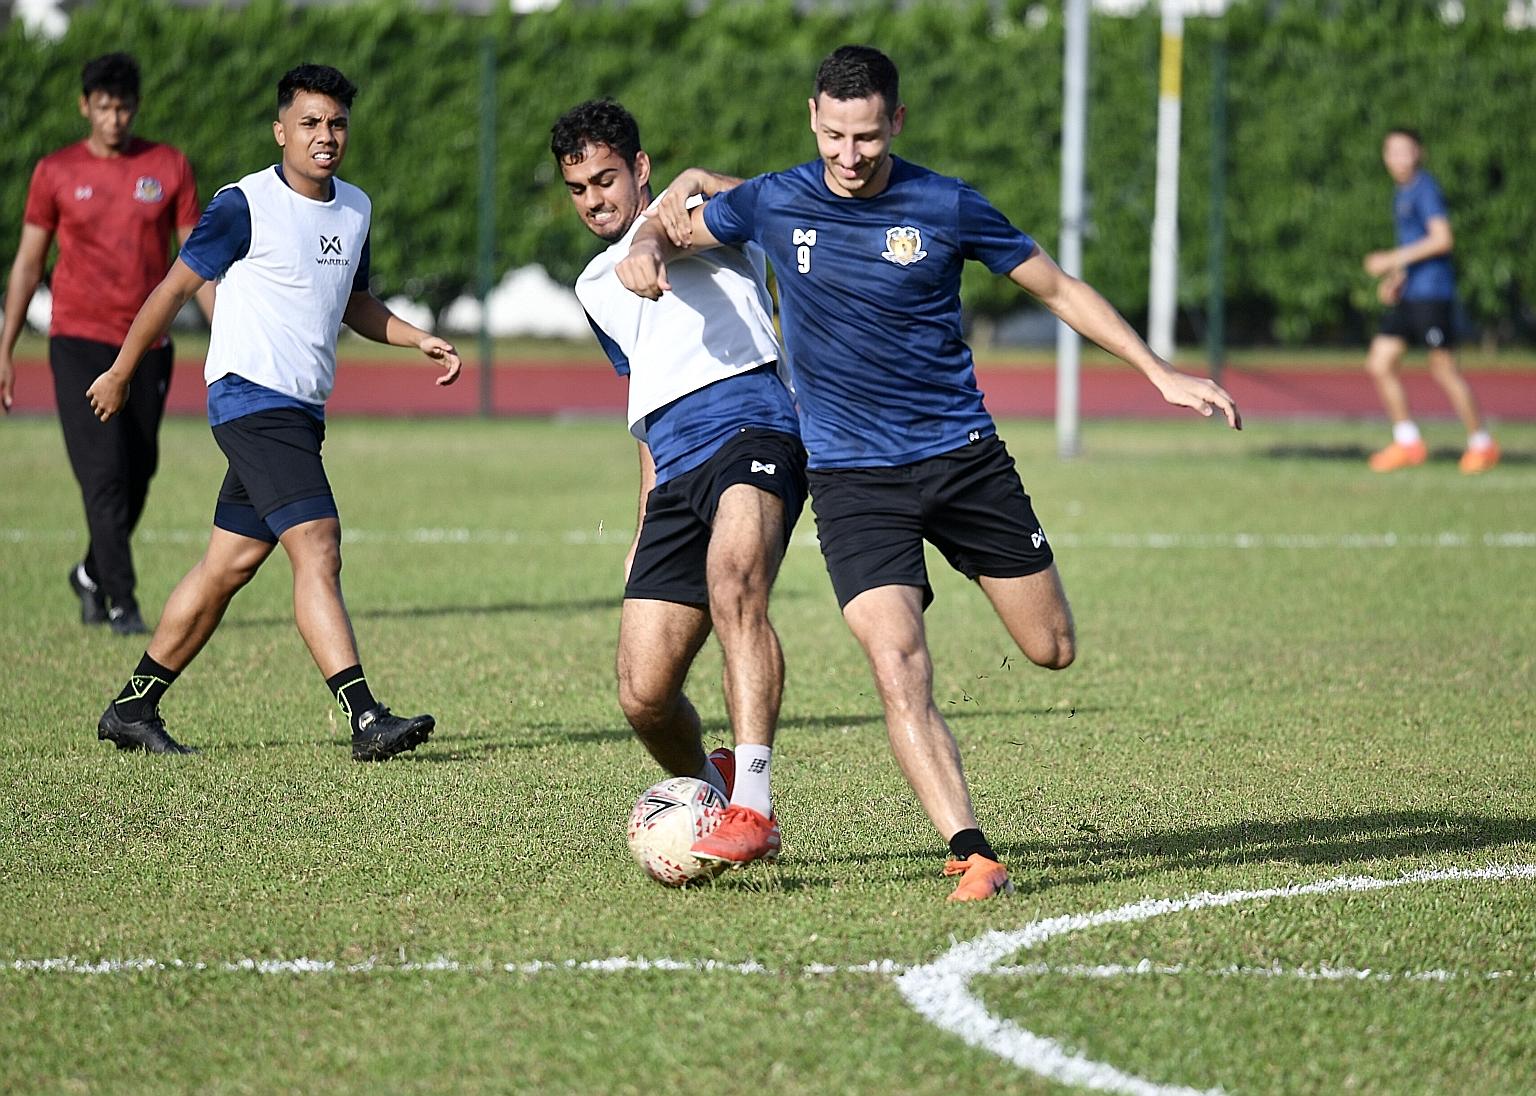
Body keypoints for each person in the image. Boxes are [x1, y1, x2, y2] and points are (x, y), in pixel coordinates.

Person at [619, 45, 1241, 901]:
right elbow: (678, 212)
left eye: (867, 137)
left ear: (896, 123)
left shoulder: (945, 204)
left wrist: (1157, 370)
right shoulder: (774, 199)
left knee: (1050, 647)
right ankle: (970, 849)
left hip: (962, 462)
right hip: (851, 481)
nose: (849, 155)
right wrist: (644, 243)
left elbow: (1056, 288)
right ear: (813, 120)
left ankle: (969, 787)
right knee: (897, 663)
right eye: (834, 135)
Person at [83, 64, 461, 760]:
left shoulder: (356, 209)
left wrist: (417, 338)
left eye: (338, 123)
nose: (326, 136)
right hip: (249, 398)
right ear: (281, 129)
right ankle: (364, 716)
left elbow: (354, 302)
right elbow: (172, 290)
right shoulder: (242, 204)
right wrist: (121, 370)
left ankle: (132, 708)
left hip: (300, 409)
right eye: (311, 123)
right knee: (318, 542)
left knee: (227, 566)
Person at [551, 99, 808, 869]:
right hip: (673, 465)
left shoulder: (695, 213)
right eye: (579, 188)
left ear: (641, 170)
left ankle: (755, 807)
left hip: (755, 430)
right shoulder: (594, 285)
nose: (597, 199)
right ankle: (713, 788)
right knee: (643, 694)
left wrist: (685, 201)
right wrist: (639, 528)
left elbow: (790, 208)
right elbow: (645, 397)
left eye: (608, 179)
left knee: (736, 584)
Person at [0, 52, 216, 635]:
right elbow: (27, 264)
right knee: (104, 474)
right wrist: (5, 350)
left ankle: (92, 573)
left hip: (147, 346)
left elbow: (196, 261)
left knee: (139, 470)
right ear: (84, 107)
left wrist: (229, 334)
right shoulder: (55, 172)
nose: (114, 118)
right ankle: (123, 601)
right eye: (103, 108)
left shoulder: (168, 166)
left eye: (123, 107)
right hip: (78, 342)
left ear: (135, 107)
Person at [1362, 128, 1498, 474]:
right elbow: (1415, 246)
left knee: (1444, 369)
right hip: (1410, 295)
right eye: (1391, 152)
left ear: (1418, 153)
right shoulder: (1401, 193)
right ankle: (1407, 441)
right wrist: (1395, 279)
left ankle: (1481, 444)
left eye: (1404, 151)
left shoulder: (1425, 189)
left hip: (1432, 295)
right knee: (1379, 363)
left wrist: (1391, 260)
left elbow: (1442, 239)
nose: (1398, 158)